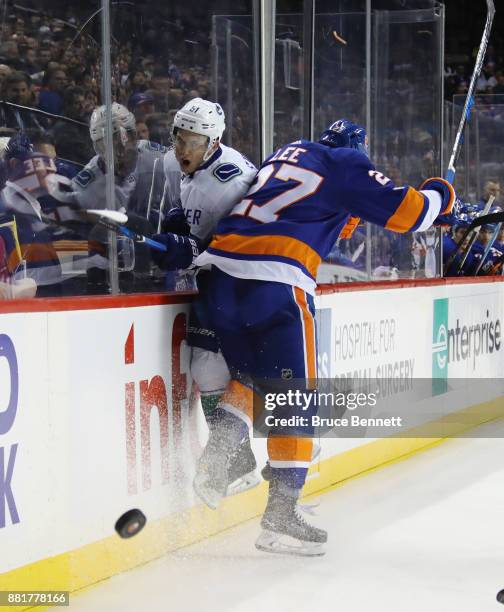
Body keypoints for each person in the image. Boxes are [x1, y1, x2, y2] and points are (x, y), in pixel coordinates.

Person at [190, 119, 459, 556]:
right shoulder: (345, 162)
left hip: (219, 276)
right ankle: (280, 516)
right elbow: (412, 214)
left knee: (255, 378)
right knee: (295, 396)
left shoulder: (288, 153)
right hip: (273, 282)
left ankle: (215, 460)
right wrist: (442, 195)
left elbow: (308, 211)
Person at [153, 97, 260, 496]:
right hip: (216, 280)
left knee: (218, 370)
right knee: (205, 369)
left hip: (244, 283)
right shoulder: (178, 163)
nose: (182, 148)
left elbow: (249, 245)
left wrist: (193, 249)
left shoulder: (229, 184)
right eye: (178, 138)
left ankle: (239, 460)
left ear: (213, 143)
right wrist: (178, 228)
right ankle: (240, 460)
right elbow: (187, 214)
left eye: (192, 141)